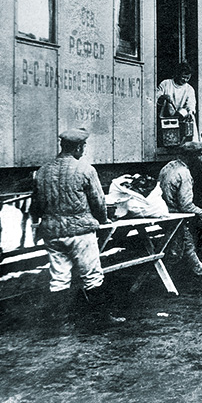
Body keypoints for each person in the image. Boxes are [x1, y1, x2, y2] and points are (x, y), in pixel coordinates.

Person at [29, 128, 123, 323]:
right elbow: (98, 202)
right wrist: (103, 220)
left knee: (59, 277)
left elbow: (36, 206)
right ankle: (102, 318)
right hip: (80, 232)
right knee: (92, 276)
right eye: (84, 146)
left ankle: (60, 322)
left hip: (52, 232)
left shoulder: (43, 170)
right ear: (79, 147)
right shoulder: (86, 169)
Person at [157, 141, 202, 277]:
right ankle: (165, 278)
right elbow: (186, 205)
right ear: (192, 156)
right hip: (175, 216)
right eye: (199, 155)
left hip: (163, 212)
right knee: (180, 249)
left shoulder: (168, 167)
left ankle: (201, 274)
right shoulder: (184, 173)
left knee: (185, 246)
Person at [157, 62, 198, 142]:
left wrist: (190, 112)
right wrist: (163, 97)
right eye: (183, 77)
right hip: (165, 117)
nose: (185, 80)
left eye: (187, 78)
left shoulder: (189, 89)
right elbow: (156, 97)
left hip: (181, 118)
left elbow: (191, 103)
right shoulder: (166, 83)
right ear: (177, 74)